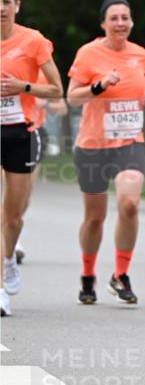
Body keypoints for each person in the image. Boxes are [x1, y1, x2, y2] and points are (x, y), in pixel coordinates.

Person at [67, 0, 145, 306]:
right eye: (114, 18)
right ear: (103, 24)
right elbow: (73, 99)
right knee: (95, 218)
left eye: (126, 18)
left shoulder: (139, 54)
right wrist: (99, 86)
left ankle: (120, 274)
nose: (121, 23)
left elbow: (135, 92)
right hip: (93, 144)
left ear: (131, 22)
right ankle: (87, 274)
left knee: (130, 203)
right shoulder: (88, 53)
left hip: (129, 141)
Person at [1, 0, 63, 316]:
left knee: (12, 217)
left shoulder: (34, 41)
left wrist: (23, 87)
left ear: (17, 6)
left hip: (20, 133)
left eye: (6, 3)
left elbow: (57, 90)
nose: (0, 9)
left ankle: (8, 258)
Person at [12, 69, 68, 265]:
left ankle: (14, 236)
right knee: (10, 189)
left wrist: (46, 103)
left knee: (25, 193)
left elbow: (61, 107)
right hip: (8, 131)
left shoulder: (44, 74)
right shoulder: (8, 66)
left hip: (34, 134)